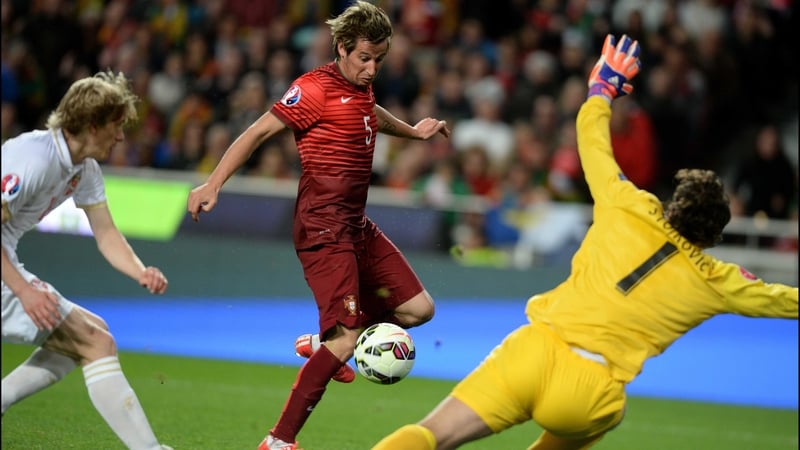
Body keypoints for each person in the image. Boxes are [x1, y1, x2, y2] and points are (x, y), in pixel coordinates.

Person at [372, 34, 798, 450]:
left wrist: (602, 88)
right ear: (713, 237)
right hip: (588, 394)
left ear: (672, 207)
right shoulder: (717, 280)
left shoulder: (628, 205)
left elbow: (591, 137)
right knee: (610, 412)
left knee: (432, 435)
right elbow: (783, 300)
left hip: (536, 350)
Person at [185, 2, 450, 449]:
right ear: (342, 48)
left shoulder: (360, 87)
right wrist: (212, 183)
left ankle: (320, 342)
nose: (371, 69)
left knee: (419, 310)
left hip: (356, 225)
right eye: (364, 58)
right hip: (322, 229)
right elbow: (255, 133)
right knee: (345, 343)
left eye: (379, 60)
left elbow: (369, 112)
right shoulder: (312, 90)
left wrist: (413, 132)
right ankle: (278, 441)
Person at [1, 71, 172, 449]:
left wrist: (140, 271)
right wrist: (23, 291)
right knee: (94, 342)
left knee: (91, 333)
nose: (122, 136)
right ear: (92, 125)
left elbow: (107, 234)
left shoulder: (84, 169)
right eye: (117, 125)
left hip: (5, 260)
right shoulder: (30, 158)